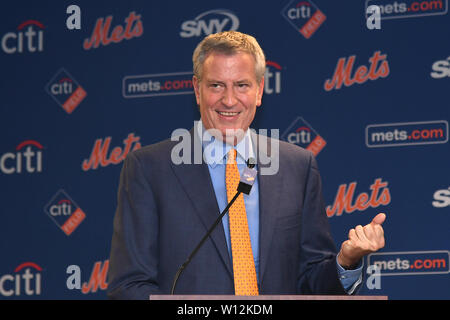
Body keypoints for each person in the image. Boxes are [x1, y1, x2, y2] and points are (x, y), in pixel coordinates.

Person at [107, 31, 386, 299]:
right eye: (216, 85)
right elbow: (129, 285)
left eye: (241, 85)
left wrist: (346, 261)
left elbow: (312, 283)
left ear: (259, 90)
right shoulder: (150, 168)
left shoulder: (297, 167)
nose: (229, 100)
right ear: (197, 89)